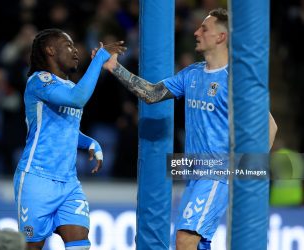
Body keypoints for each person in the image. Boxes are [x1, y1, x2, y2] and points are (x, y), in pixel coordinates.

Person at [102, 8, 277, 250]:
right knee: (195, 243)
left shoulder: (235, 80)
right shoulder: (192, 73)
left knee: (185, 239)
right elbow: (152, 94)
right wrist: (114, 68)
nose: (196, 32)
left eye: (204, 28)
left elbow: (270, 126)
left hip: (217, 174)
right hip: (195, 173)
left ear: (221, 37)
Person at [13, 28, 125, 250]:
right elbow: (77, 100)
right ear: (50, 50)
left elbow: (67, 130)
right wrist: (100, 58)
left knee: (80, 244)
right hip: (37, 179)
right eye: (69, 46)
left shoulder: (70, 87)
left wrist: (90, 142)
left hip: (69, 183)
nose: (76, 51)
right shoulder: (38, 81)